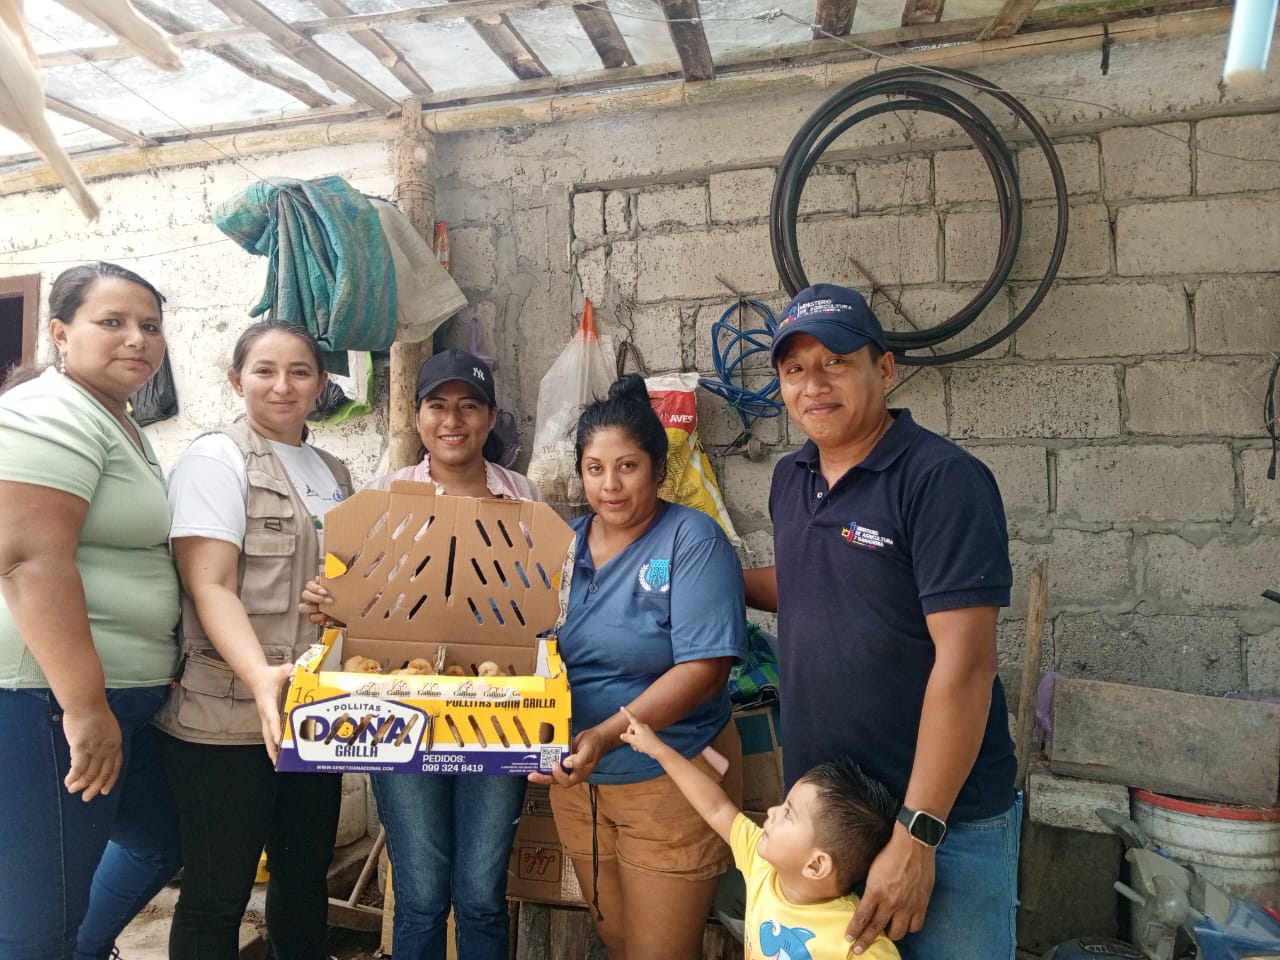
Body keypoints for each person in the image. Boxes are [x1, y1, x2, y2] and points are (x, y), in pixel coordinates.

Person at [743, 283, 1019, 960]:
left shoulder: (941, 480)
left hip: (942, 826)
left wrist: (917, 834)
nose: (814, 385)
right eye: (795, 369)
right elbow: (817, 582)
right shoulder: (791, 478)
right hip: (831, 829)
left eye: (835, 361)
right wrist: (707, 579)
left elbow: (967, 664)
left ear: (885, 368)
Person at [303, 347, 538, 960]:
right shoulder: (385, 494)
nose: (452, 420)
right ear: (417, 415)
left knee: (482, 894)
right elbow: (351, 597)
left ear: (491, 417)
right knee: (422, 894)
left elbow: (542, 599)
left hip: (495, 710)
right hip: (401, 708)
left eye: (469, 406)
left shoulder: (521, 495)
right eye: (437, 405)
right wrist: (328, 601)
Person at [153, 319, 354, 959]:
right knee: (219, 892)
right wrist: (260, 679)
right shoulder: (218, 459)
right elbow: (208, 584)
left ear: (320, 384)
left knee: (303, 877)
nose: (282, 385)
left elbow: (346, 582)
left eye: (299, 371)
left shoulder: (333, 471)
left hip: (311, 710)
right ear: (237, 380)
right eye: (264, 370)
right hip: (227, 713)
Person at [528, 373, 747, 960]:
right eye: (595, 468)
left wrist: (604, 734)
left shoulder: (692, 541)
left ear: (657, 468)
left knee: (660, 952)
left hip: (670, 778)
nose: (610, 485)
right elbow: (518, 640)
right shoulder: (562, 546)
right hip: (579, 784)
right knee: (619, 939)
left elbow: (704, 669)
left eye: (627, 466)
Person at [0, 262, 183, 960]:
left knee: (158, 839)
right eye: (112, 322)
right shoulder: (48, 412)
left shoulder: (116, 420)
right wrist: (83, 707)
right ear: (59, 332)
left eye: (150, 326)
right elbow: (27, 559)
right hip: (49, 700)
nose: (137, 338)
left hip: (118, 695)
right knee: (35, 922)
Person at [619, 707, 900, 960]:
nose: (772, 811)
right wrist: (658, 750)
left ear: (816, 865)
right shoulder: (762, 867)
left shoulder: (856, 943)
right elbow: (716, 807)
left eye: (788, 813)